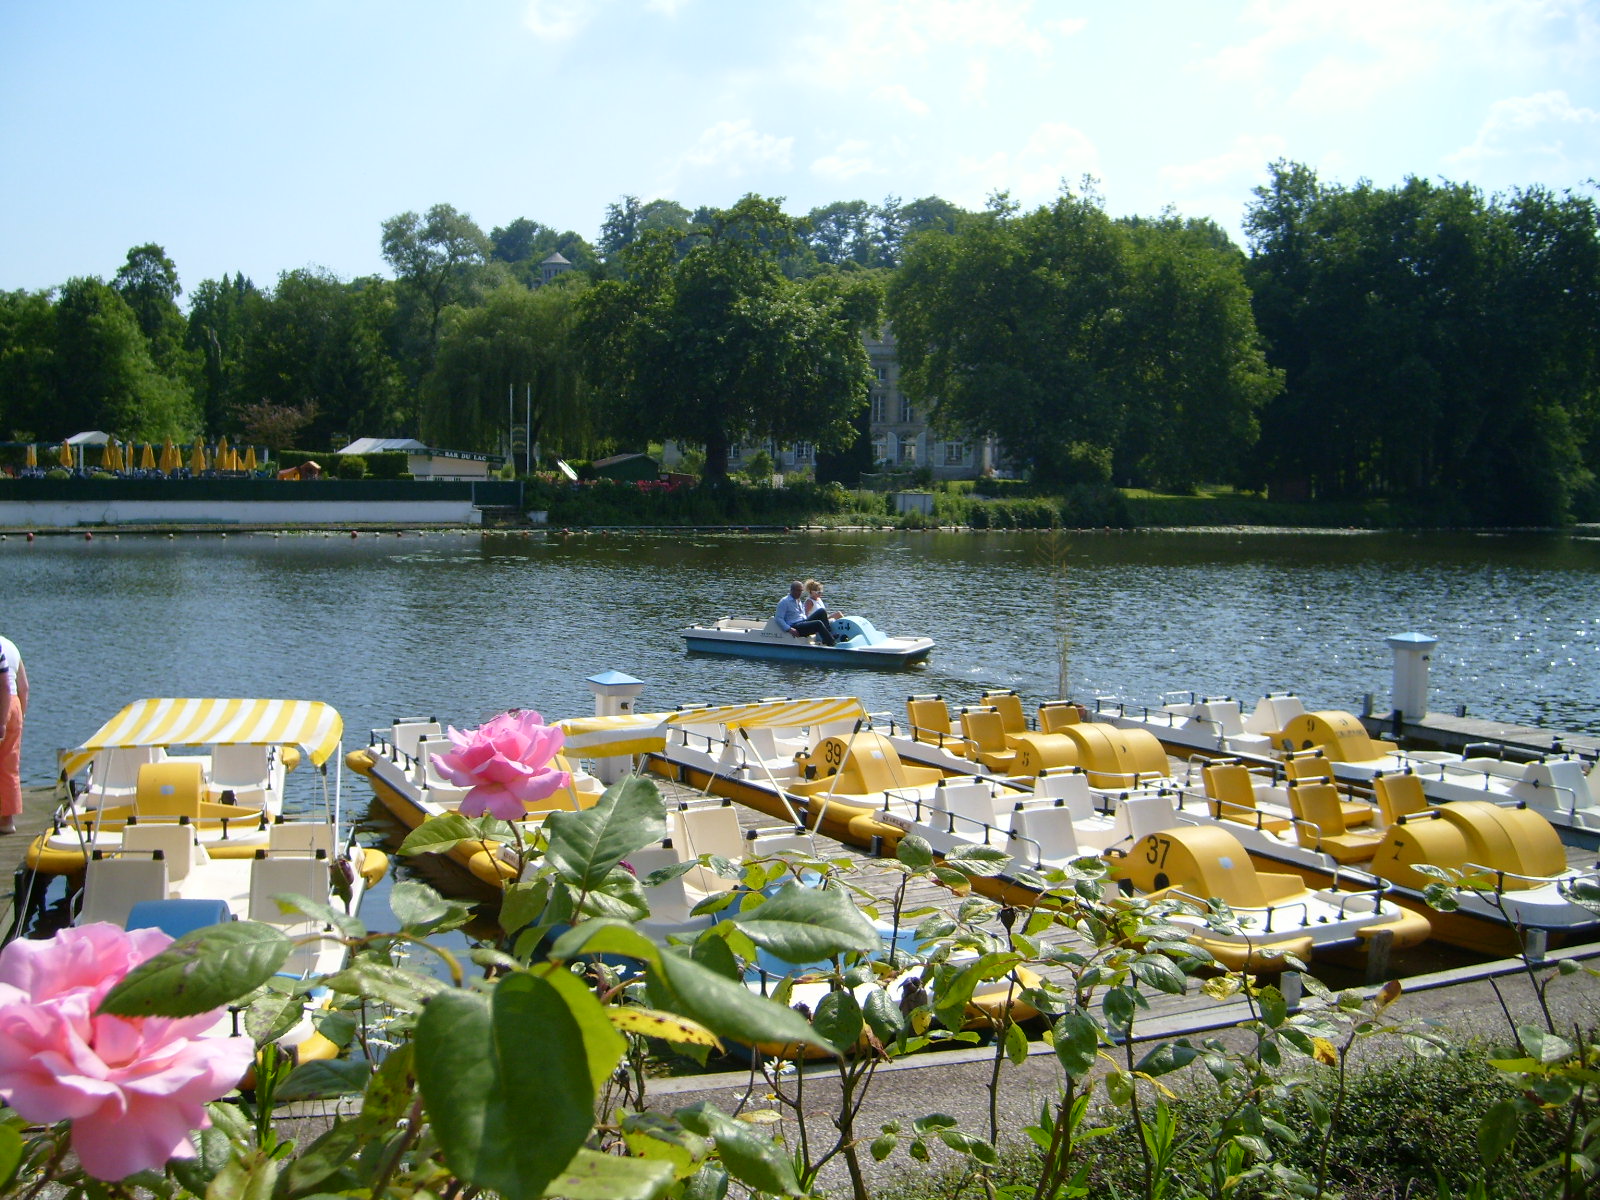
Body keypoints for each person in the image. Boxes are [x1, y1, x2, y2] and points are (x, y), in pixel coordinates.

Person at [776, 580, 835, 646]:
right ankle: (832, 643)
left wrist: (808, 621)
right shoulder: (784, 601)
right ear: (792, 590)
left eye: (801, 591)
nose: (799, 593)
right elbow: (778, 618)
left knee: (822, 611)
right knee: (818, 623)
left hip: (802, 622)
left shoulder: (798, 600)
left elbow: (803, 614)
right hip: (795, 626)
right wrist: (789, 629)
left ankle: (829, 635)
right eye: (798, 590)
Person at [0, 638, 16, 835]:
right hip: (9, 707)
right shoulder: (6, 646)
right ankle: (7, 820)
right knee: (8, 767)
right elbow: (8, 686)